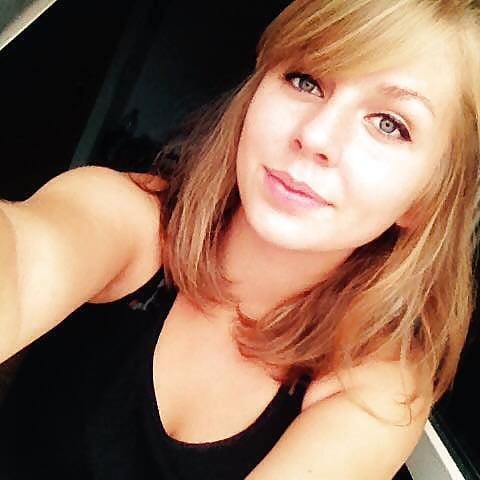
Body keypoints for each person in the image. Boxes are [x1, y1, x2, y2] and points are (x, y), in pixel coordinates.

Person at [0, 0, 479, 478]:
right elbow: (22, 260)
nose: (316, 136)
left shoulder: (376, 393)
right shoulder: (124, 216)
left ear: (426, 198)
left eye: (389, 124)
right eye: (305, 80)